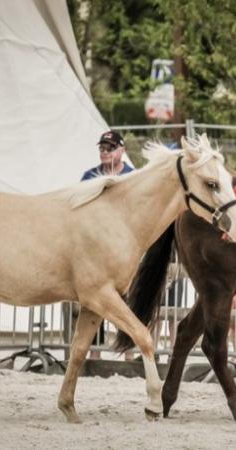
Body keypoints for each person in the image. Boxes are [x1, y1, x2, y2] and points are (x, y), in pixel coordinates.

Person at [80, 130, 134, 359]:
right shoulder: (90, 175)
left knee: (126, 302)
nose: (104, 152)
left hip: (123, 248)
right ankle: (94, 354)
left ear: (122, 150)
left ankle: (128, 352)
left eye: (109, 148)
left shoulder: (131, 177)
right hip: (95, 248)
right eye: (102, 148)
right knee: (94, 301)